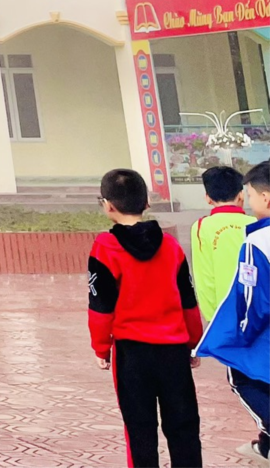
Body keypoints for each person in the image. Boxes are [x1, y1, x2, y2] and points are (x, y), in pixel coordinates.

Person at [89, 166, 202, 468]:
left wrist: (101, 348)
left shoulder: (104, 248)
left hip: (132, 354)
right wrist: (193, 342)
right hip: (174, 352)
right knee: (184, 426)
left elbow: (100, 305)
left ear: (108, 205)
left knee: (139, 430)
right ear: (147, 202)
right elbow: (188, 300)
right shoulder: (171, 246)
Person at [193, 159, 270, 461]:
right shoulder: (249, 228)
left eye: (251, 195)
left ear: (265, 197)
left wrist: (236, 332)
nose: (248, 201)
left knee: (242, 378)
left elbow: (254, 300)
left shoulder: (257, 240)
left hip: (248, 322)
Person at [190, 166, 249, 328]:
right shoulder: (255, 224)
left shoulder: (200, 227)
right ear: (241, 195)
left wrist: (210, 314)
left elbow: (203, 274)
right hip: (254, 309)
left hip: (220, 313)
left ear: (208, 198)